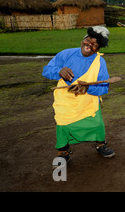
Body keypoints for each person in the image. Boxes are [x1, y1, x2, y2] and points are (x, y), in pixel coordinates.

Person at [43, 26, 115, 167]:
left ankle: (100, 145)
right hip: (65, 100)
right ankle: (63, 152)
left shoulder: (100, 62)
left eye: (94, 44)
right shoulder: (66, 54)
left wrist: (89, 87)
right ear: (83, 39)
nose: (89, 45)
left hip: (88, 100)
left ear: (98, 49)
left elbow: (104, 87)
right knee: (62, 125)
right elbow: (46, 70)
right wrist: (59, 71)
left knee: (97, 123)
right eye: (88, 40)